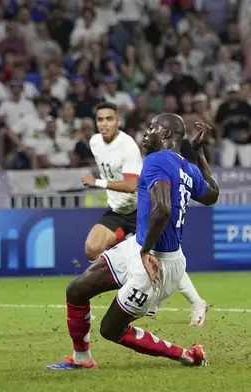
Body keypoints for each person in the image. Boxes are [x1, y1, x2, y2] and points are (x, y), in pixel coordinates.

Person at [47, 115, 219, 370]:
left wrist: (146, 251)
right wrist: (199, 153)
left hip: (156, 261)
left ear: (168, 135)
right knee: (77, 290)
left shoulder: (157, 160)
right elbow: (212, 195)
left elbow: (161, 210)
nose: (146, 132)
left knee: (111, 329)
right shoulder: (186, 167)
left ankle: (188, 355)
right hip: (139, 248)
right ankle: (82, 359)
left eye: (152, 128)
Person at [83, 102, 209, 326]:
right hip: (118, 209)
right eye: (100, 120)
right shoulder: (94, 143)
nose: (104, 124)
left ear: (118, 122)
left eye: (109, 119)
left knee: (161, 255)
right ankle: (138, 287)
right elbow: (211, 195)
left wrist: (97, 182)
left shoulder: (130, 146)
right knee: (92, 248)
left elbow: (133, 186)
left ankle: (193, 301)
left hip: (140, 207)